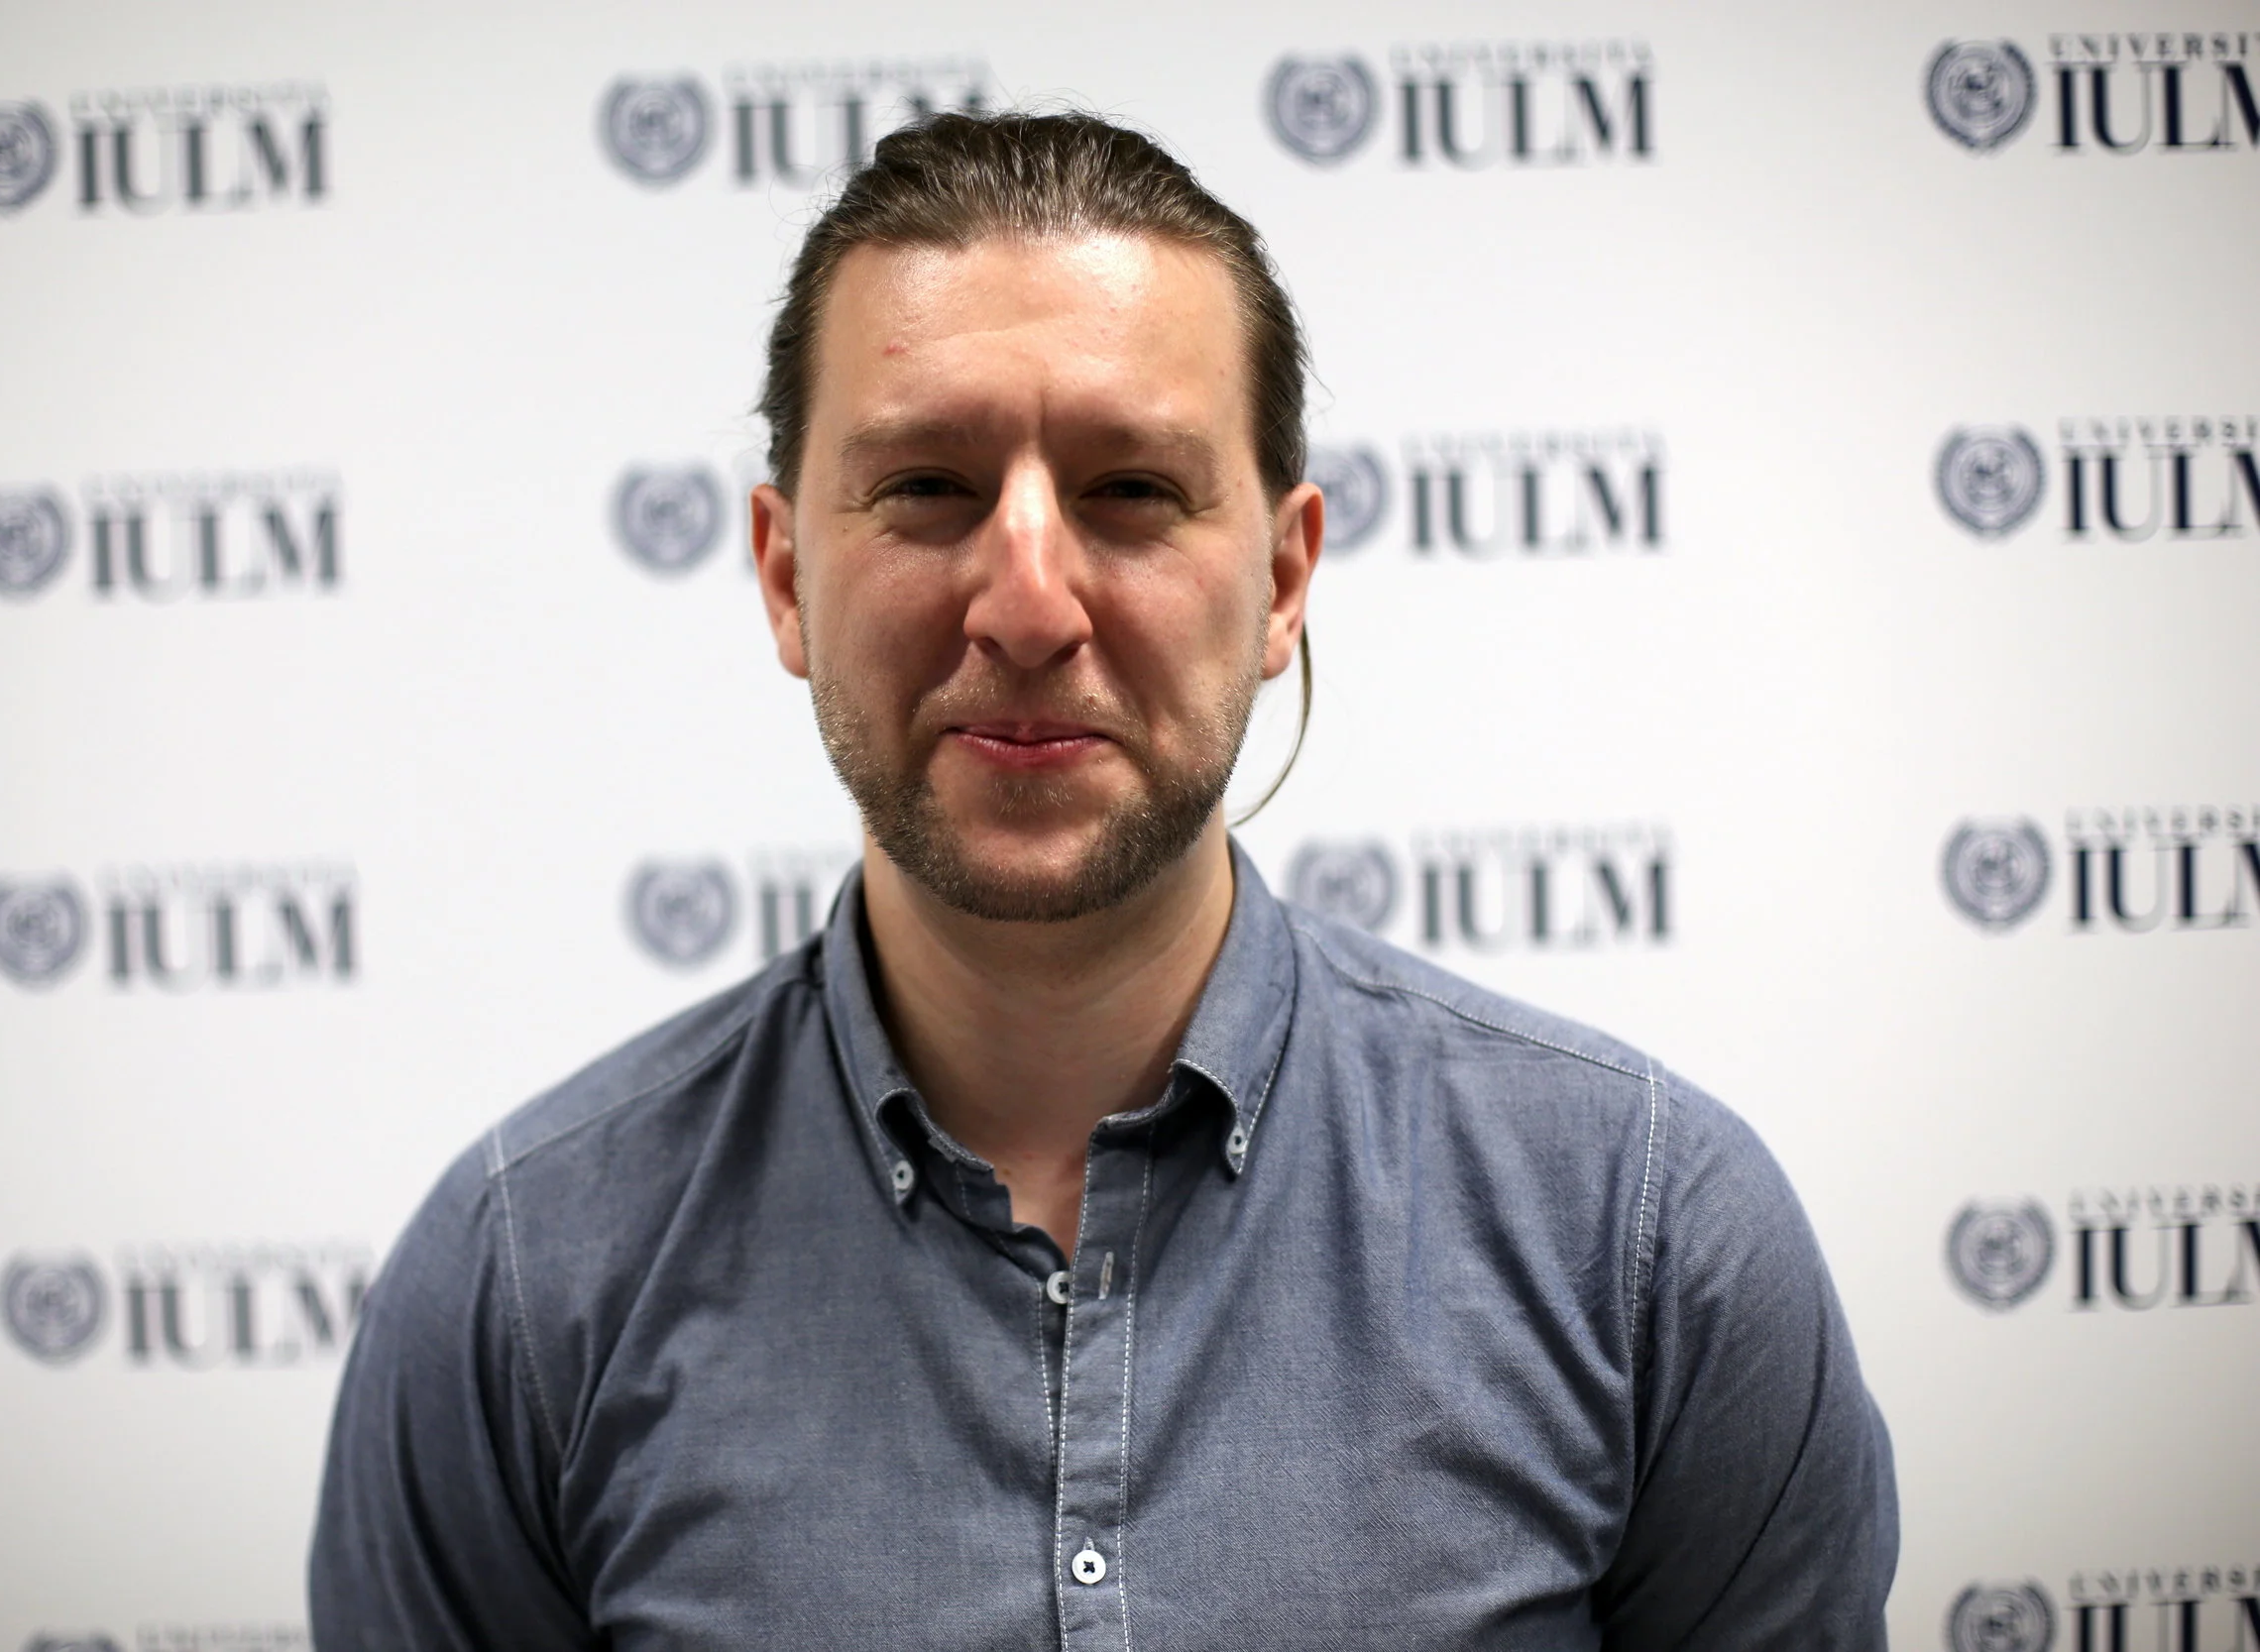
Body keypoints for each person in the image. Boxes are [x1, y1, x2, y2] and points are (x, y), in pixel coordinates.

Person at [310, 110, 1896, 1650]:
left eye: (1131, 489)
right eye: (927, 487)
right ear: (786, 575)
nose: (1027, 605)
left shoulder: (1644, 1237)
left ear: (1283, 577)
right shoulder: (522, 1286)